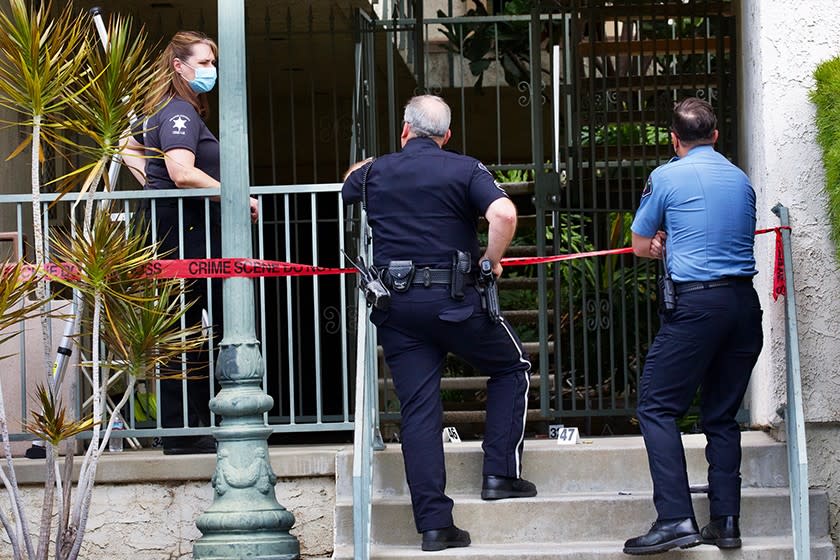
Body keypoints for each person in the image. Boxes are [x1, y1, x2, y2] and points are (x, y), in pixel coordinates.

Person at [341, 95, 537, 552]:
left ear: (405, 131)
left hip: (398, 309)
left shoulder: (375, 172)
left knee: (420, 411)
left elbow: (348, 183)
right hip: (456, 304)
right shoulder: (465, 168)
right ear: (447, 136)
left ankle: (434, 526)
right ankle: (499, 474)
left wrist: (384, 156)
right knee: (512, 368)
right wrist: (491, 262)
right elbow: (505, 213)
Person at [623, 97, 763, 555]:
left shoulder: (666, 176)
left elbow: (641, 245)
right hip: (744, 305)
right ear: (716, 135)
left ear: (674, 139)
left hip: (697, 305)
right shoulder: (741, 179)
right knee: (721, 416)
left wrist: (664, 244)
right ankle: (725, 523)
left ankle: (675, 518)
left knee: (656, 407)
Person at [122, 31, 258, 455]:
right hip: (189, 237)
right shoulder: (179, 111)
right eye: (203, 63)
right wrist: (234, 194)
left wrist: (151, 184)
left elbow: (125, 144)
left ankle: (190, 426)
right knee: (208, 329)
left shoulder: (156, 111)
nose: (210, 71)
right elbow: (182, 171)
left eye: (212, 63)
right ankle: (192, 427)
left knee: (185, 333)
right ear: (179, 67)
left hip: (175, 233)